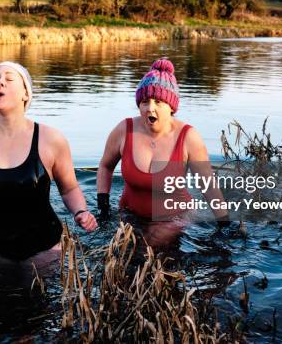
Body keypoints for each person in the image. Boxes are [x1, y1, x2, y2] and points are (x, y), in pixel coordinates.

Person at [0, 61, 97, 266]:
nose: (0, 82)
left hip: (47, 252)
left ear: (26, 93)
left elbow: (69, 189)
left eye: (9, 79)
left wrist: (81, 212)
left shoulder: (51, 139)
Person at [96, 59, 228, 245]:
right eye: (144, 102)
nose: (150, 107)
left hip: (173, 218)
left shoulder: (188, 137)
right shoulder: (124, 130)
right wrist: (103, 206)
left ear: (171, 106)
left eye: (158, 102)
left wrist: (225, 224)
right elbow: (105, 166)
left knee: (157, 248)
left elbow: (208, 186)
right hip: (129, 216)